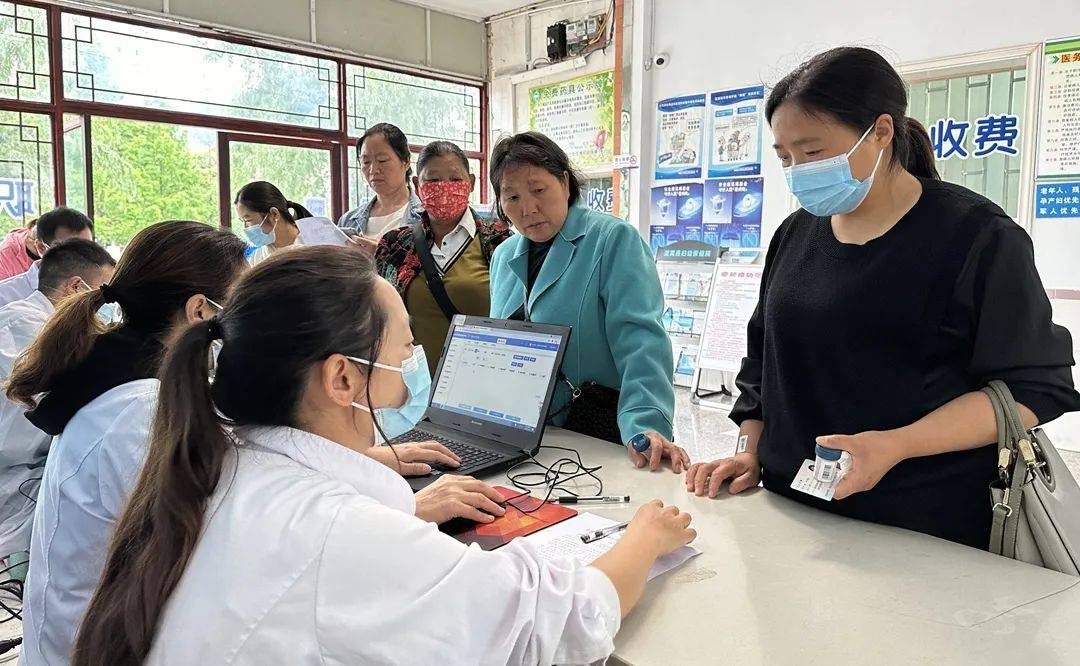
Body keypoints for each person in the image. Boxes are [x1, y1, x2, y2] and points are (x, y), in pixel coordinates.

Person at [70, 246, 696, 665]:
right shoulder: (336, 531)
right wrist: (646, 534)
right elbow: (554, 624)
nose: (411, 366)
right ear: (343, 379)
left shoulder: (222, 467)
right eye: (403, 348)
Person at [684, 47, 1080, 550]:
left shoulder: (976, 236)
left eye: (812, 152)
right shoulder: (794, 233)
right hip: (790, 514)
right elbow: (763, 363)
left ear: (882, 132)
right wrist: (749, 450)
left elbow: (1035, 389)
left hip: (923, 527)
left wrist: (896, 446)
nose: (798, 171)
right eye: (785, 156)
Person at [5, 220, 249, 666]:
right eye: (236, 305)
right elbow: (230, 536)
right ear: (200, 310)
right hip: (92, 648)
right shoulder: (138, 411)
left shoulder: (118, 367)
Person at [488, 132, 689, 473]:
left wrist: (645, 424)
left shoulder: (612, 240)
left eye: (538, 190)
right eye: (512, 197)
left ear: (565, 182)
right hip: (528, 436)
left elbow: (641, 343)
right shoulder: (505, 256)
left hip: (598, 432)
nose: (528, 209)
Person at [0, 239, 116, 584]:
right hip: (16, 478)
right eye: (104, 297)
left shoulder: (44, 326)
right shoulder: (21, 327)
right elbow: (16, 429)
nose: (108, 309)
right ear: (77, 287)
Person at [375, 140, 511, 375]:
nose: (444, 188)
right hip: (412, 388)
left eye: (455, 180)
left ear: (471, 183)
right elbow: (379, 319)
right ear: (417, 185)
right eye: (433, 180)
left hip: (482, 381)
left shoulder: (499, 241)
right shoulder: (395, 245)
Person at [338, 123, 423, 254]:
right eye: (366, 162)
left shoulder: (426, 217)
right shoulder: (348, 220)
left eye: (382, 160)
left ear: (406, 162)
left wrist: (384, 255)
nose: (373, 170)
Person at [0, 206, 96, 285]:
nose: (82, 258)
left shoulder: (98, 273)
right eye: (70, 250)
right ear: (41, 247)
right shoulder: (5, 259)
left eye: (88, 247)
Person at [234, 181, 313, 265]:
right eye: (242, 221)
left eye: (248, 220)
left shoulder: (315, 244)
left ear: (274, 214)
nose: (246, 228)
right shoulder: (257, 259)